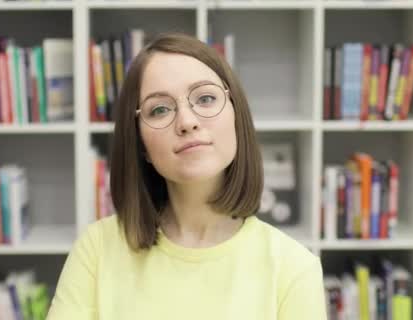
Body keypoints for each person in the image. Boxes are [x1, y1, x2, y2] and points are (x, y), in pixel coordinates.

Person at [46, 32, 327, 320]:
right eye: (159, 109)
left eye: (205, 98)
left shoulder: (294, 268)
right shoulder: (97, 249)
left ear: (235, 115)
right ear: (140, 143)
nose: (187, 122)